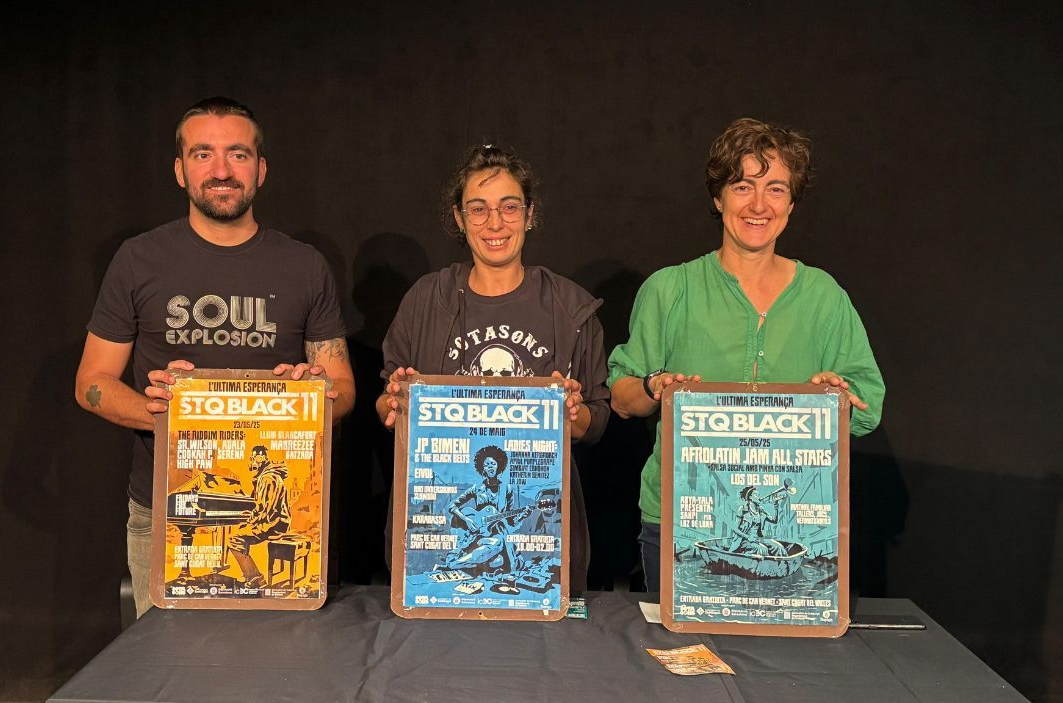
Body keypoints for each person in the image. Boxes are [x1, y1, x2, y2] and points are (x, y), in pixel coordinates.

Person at [74, 96, 355, 616]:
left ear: (261, 169)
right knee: (168, 663)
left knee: (281, 664)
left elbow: (343, 390)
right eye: (203, 154)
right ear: (180, 170)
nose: (221, 170)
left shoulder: (305, 266)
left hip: (292, 514)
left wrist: (311, 393)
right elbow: (92, 383)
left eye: (238, 154)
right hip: (164, 510)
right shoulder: (138, 259)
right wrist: (165, 412)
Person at [608, 117, 885, 590]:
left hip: (796, 527)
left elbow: (866, 407)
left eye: (775, 189)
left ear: (791, 203)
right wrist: (656, 387)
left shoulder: (824, 297)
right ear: (718, 198)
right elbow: (621, 396)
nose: (759, 205)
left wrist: (834, 398)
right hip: (681, 520)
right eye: (742, 186)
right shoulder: (670, 289)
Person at [376, 145, 610, 592]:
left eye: (509, 207)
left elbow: (597, 420)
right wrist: (395, 402)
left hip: (546, 542)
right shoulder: (426, 300)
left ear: (529, 214)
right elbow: (386, 404)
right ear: (459, 218)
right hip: (433, 530)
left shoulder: (570, 307)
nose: (495, 223)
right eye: (479, 209)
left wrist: (573, 412)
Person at [442, 445, 522, 576]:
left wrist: (522, 515)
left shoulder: (507, 489)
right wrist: (466, 520)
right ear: (482, 468)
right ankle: (459, 563)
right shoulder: (476, 488)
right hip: (477, 533)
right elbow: (452, 506)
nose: (490, 467)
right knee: (495, 560)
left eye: (493, 464)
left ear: (499, 465)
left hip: (496, 534)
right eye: (486, 465)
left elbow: (511, 520)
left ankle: (457, 564)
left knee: (498, 553)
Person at [227, 446, 291, 588]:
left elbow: (265, 510)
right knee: (243, 529)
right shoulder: (268, 476)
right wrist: (250, 517)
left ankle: (256, 579)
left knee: (234, 539)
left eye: (253, 457)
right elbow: (261, 506)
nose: (251, 461)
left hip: (274, 524)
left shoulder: (267, 478)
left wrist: (250, 520)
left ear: (262, 457)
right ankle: (248, 574)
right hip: (276, 520)